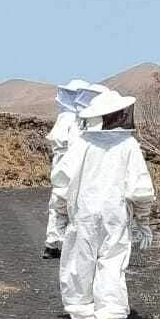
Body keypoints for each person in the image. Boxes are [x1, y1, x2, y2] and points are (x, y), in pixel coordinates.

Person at [52, 86, 155, 319]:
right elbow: (140, 188)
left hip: (83, 211)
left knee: (80, 259)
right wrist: (142, 220)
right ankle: (108, 314)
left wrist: (60, 213)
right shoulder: (128, 145)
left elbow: (62, 181)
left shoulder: (82, 143)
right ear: (118, 115)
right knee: (112, 259)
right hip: (115, 213)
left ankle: (80, 310)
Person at [42, 80, 103, 257]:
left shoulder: (70, 119)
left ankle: (54, 243)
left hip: (63, 167)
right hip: (72, 167)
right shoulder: (75, 121)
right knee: (72, 205)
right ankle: (66, 245)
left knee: (59, 204)